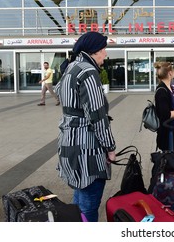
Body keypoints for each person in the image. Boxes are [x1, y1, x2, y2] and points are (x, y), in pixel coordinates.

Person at [55, 31, 116, 222]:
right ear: (95, 50)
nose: (105, 54)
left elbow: (62, 97)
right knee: (89, 205)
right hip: (86, 148)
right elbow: (97, 116)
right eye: (104, 49)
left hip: (69, 141)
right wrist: (110, 147)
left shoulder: (71, 67)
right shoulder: (88, 72)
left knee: (79, 199)